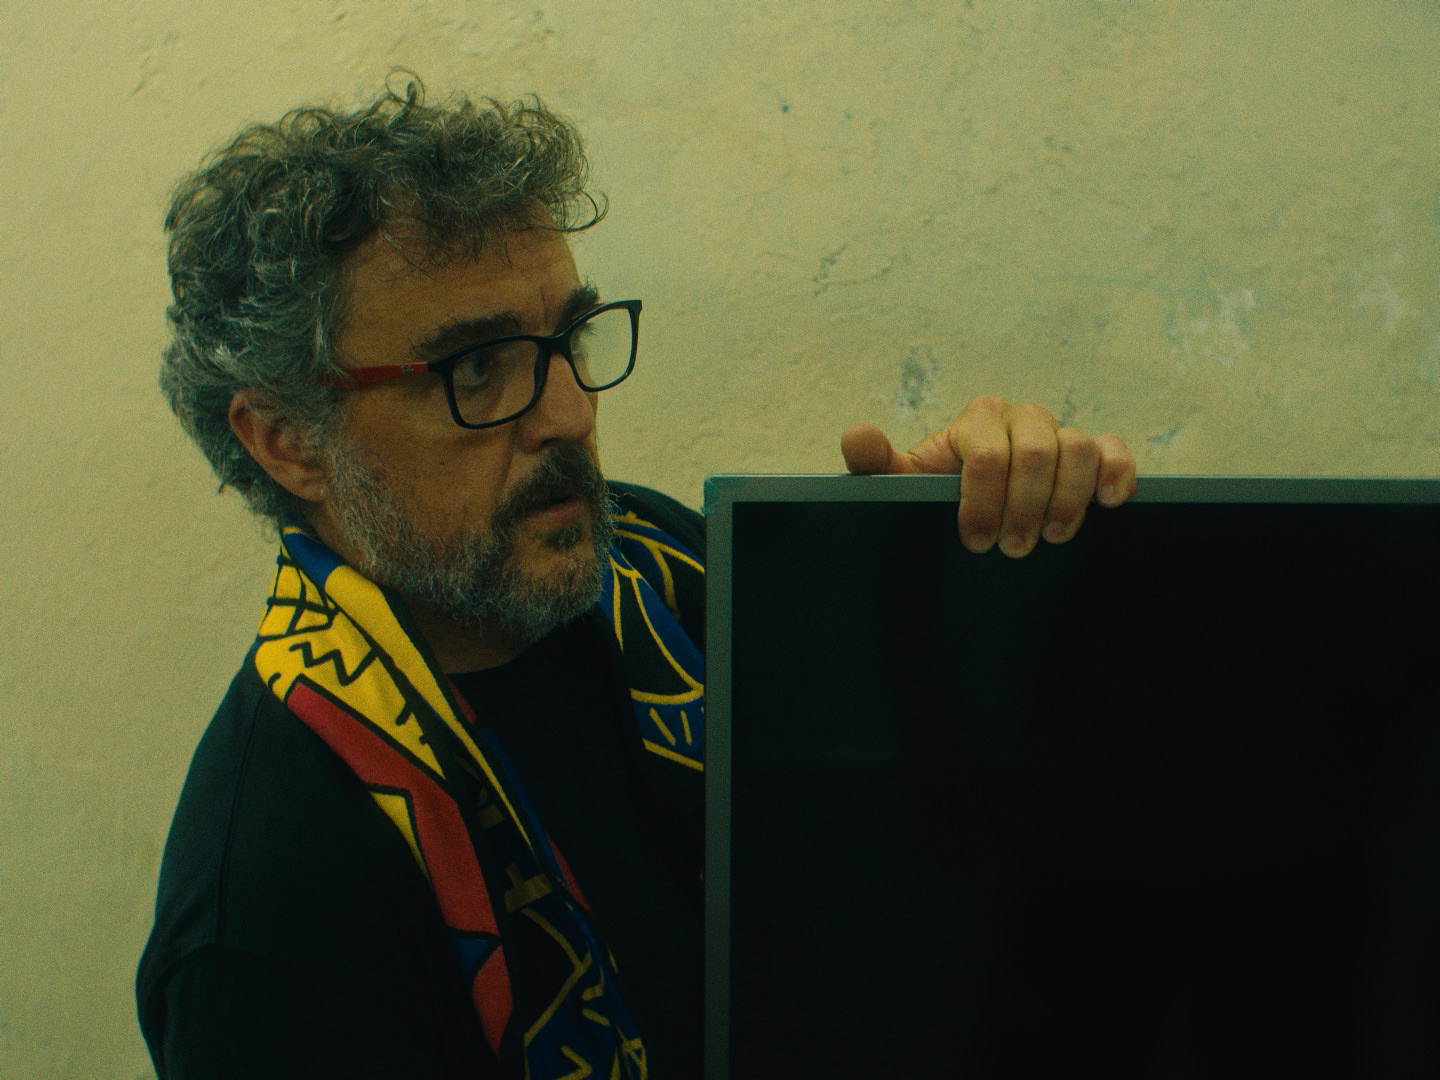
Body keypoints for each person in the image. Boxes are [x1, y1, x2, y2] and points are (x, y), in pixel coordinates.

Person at [136, 78, 1136, 1080]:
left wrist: (962, 549)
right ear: (286, 440)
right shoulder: (267, 912)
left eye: (569, 339)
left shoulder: (661, 572)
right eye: (476, 368)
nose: (569, 414)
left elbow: (943, 862)